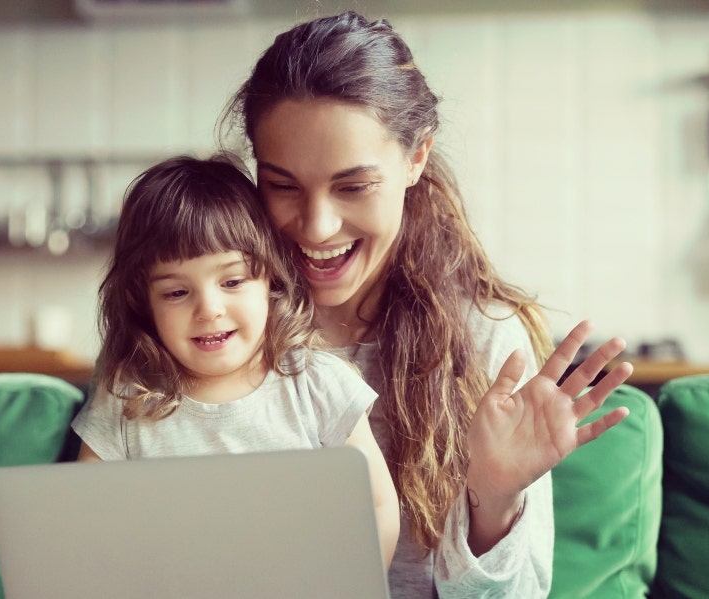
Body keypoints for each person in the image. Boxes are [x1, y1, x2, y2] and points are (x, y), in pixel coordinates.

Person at [220, 11, 634, 598]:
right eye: (282, 185)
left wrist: (495, 498)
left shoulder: (486, 340)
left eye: (353, 186)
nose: (315, 226)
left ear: (416, 158)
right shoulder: (210, 324)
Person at [69, 154, 401, 568]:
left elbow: (377, 506)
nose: (209, 309)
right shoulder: (126, 397)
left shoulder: (317, 383)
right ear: (144, 303)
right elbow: (87, 522)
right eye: (176, 292)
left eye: (232, 281)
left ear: (270, 281)